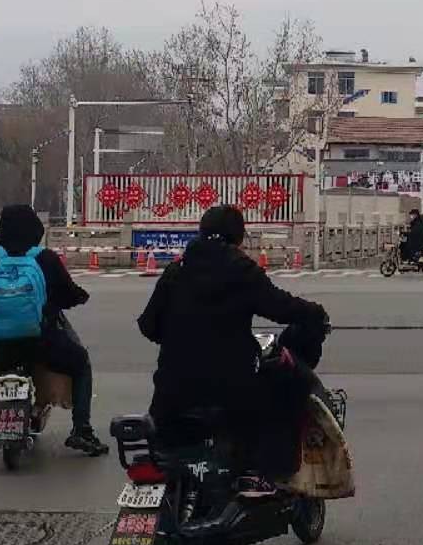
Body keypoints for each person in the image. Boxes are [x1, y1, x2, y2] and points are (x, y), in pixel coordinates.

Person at [138, 204, 332, 496]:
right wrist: (315, 313)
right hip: (228, 389)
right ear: (238, 237)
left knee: (162, 452)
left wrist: (182, 338)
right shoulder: (241, 270)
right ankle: (260, 474)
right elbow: (280, 307)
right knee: (284, 393)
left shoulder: (177, 270)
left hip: (171, 393)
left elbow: (148, 325)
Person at [0, 205, 106, 456]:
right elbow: (67, 293)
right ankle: (82, 430)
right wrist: (78, 297)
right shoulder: (44, 258)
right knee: (80, 362)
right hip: (41, 342)